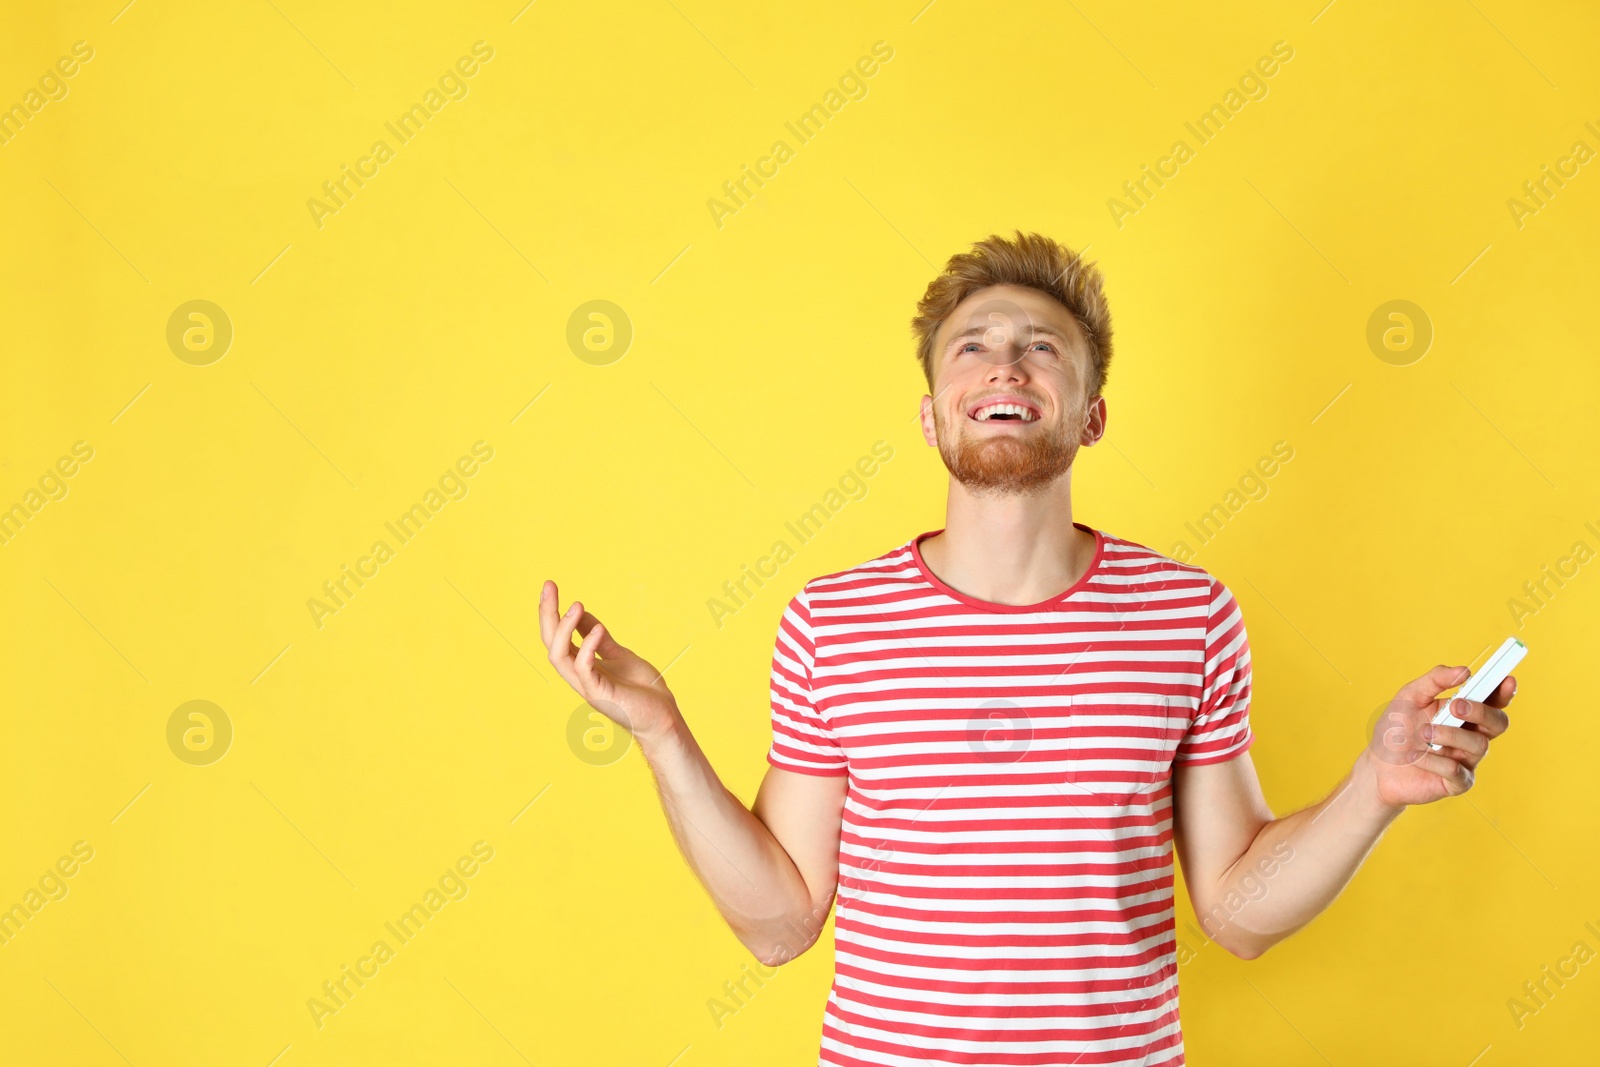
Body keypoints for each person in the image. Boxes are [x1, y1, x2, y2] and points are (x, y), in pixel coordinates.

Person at [538, 231, 1517, 1066]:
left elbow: (1237, 910)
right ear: (931, 415)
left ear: (1089, 414)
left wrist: (1371, 788)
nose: (1003, 366)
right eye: (971, 347)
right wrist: (662, 733)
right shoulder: (830, 622)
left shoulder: (1190, 616)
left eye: (1039, 347)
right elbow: (780, 921)